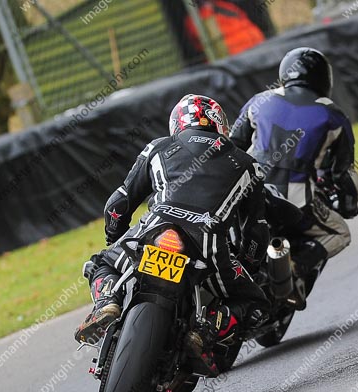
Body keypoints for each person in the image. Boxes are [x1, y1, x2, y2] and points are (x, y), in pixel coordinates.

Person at [75, 94, 269, 345]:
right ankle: (208, 328)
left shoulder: (158, 147)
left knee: (101, 262)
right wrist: (248, 264)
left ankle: (107, 300)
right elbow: (256, 231)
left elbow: (119, 203)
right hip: (208, 242)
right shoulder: (248, 165)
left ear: (177, 123)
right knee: (257, 306)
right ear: (221, 124)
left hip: (154, 227)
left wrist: (116, 236)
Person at [230, 47, 358, 306]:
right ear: (324, 78)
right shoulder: (333, 115)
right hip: (296, 201)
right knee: (341, 232)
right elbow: (341, 171)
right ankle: (296, 266)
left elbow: (232, 145)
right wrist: (348, 204)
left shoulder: (259, 101)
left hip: (247, 192)